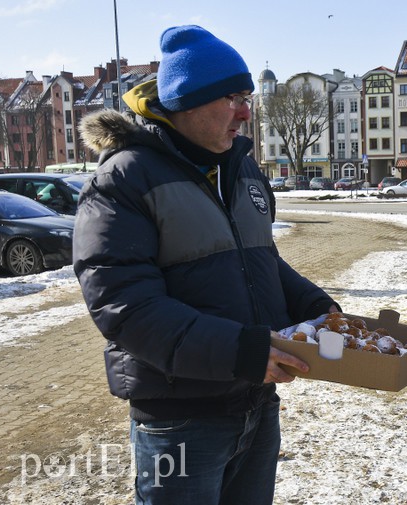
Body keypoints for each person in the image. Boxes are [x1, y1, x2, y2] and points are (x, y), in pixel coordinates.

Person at [73, 25, 340, 504]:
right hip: (180, 420)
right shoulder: (125, 178)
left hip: (256, 404)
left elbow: (260, 261)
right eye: (232, 97)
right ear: (186, 102)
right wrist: (241, 351)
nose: (245, 111)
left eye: (247, 96)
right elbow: (124, 306)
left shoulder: (243, 169)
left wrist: (317, 307)